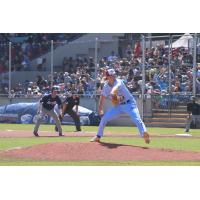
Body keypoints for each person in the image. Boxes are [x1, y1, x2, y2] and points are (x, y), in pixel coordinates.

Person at [90, 68, 150, 143]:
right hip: (118, 106)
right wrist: (100, 109)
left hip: (130, 104)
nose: (114, 76)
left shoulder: (119, 81)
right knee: (104, 118)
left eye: (114, 75)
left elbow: (115, 88)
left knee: (137, 119)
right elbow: (102, 98)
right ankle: (98, 136)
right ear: (108, 77)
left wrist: (112, 93)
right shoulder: (106, 86)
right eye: (112, 75)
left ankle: (144, 134)